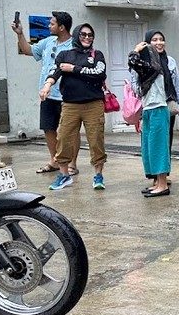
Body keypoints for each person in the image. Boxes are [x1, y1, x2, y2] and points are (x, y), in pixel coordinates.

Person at [40, 24, 109, 191]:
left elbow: (99, 73)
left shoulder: (96, 55)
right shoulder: (64, 55)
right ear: (77, 35)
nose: (87, 38)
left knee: (96, 140)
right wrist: (47, 85)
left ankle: (98, 176)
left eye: (90, 35)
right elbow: (55, 71)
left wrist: (73, 69)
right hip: (70, 105)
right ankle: (64, 175)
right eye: (83, 34)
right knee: (64, 139)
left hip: (93, 105)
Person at [11, 11, 79, 176]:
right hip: (47, 94)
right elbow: (27, 50)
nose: (49, 26)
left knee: (71, 131)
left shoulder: (74, 46)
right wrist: (20, 34)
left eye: (52, 23)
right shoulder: (48, 42)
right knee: (48, 128)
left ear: (62, 27)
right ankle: (55, 161)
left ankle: (72, 163)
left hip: (68, 96)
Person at [128, 30, 179, 197]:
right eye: (154, 40)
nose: (159, 43)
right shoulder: (149, 66)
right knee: (150, 148)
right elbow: (134, 71)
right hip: (149, 109)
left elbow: (132, 61)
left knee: (159, 147)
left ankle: (162, 185)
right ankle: (158, 183)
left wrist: (136, 50)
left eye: (161, 40)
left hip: (159, 109)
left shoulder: (154, 66)